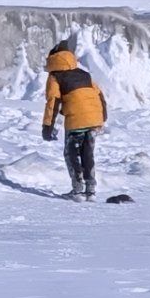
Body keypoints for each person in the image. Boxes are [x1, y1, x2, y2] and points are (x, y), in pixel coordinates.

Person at [42, 38, 108, 199]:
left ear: (53, 59)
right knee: (88, 153)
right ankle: (90, 189)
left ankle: (78, 189)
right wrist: (102, 117)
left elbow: (53, 102)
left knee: (71, 153)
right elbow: (100, 95)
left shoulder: (55, 77)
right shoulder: (84, 74)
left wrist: (48, 127)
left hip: (76, 121)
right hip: (95, 119)